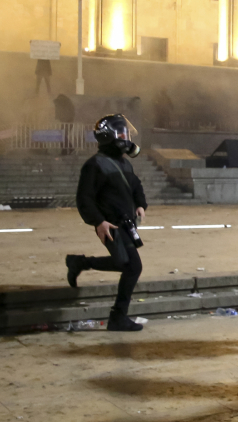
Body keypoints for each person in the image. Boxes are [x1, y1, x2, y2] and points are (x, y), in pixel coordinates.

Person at [65, 114, 147, 332]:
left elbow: (136, 186)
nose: (127, 138)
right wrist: (99, 222)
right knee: (133, 266)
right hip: (110, 224)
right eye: (123, 134)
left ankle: (80, 263)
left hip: (126, 223)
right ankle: (117, 317)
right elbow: (85, 198)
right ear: (109, 137)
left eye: (127, 134)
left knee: (124, 263)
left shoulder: (124, 164)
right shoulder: (95, 165)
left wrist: (140, 204)